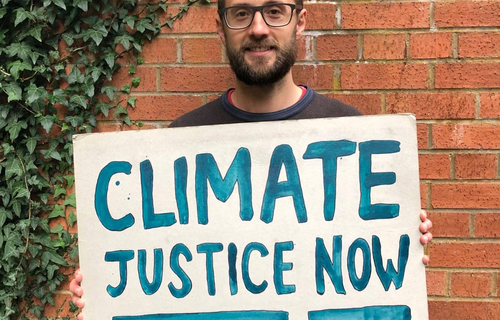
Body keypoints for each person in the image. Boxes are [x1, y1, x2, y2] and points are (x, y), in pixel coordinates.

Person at [70, 0, 433, 318]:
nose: (258, 28)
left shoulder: (352, 133)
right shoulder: (181, 140)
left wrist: (402, 239)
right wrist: (103, 291)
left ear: (300, 21)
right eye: (241, 14)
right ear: (220, 27)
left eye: (275, 11)